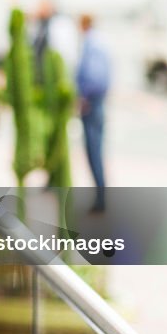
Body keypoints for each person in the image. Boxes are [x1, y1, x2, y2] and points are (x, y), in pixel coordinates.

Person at [76, 13, 111, 212]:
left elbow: (94, 75)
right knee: (95, 150)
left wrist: (84, 96)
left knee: (94, 150)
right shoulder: (99, 42)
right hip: (96, 102)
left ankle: (100, 197)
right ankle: (100, 194)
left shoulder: (92, 44)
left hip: (92, 103)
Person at [31, 0, 79, 84]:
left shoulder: (60, 24)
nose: (38, 10)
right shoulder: (40, 25)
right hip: (40, 76)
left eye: (42, 7)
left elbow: (64, 53)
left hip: (55, 75)